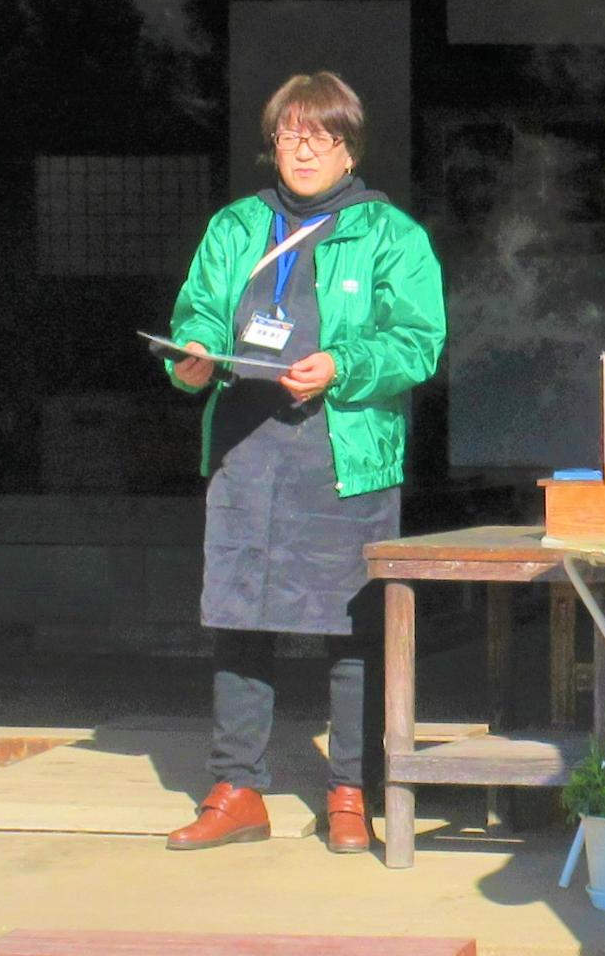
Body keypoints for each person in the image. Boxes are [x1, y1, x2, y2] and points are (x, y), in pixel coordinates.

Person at [162, 72, 445, 856]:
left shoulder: (392, 235)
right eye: (291, 134)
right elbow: (200, 316)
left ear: (350, 145)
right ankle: (237, 787)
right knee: (238, 618)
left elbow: (418, 342)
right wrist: (189, 360)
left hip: (342, 454)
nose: (305, 149)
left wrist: (341, 364)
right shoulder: (235, 227)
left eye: (321, 135)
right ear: (273, 144)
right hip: (247, 449)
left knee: (349, 626)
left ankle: (351, 791)